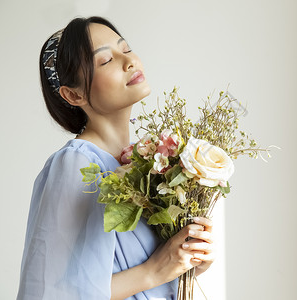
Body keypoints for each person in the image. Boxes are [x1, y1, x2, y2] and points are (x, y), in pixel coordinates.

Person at [17, 16, 215, 300]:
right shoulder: (77, 164)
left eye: (126, 48)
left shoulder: (151, 159)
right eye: (106, 60)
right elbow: (57, 291)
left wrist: (192, 257)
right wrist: (155, 270)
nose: (129, 60)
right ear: (73, 94)